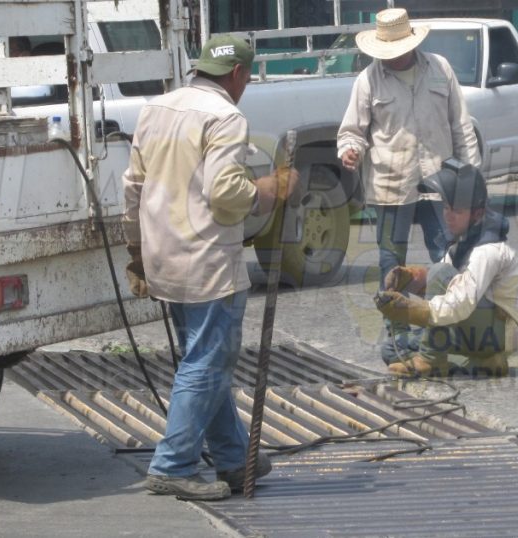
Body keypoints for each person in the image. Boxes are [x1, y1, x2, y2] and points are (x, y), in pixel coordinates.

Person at [122, 35, 298, 501]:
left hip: (164, 255)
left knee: (205, 359)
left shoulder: (155, 109)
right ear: (239, 74)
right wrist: (270, 188)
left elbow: (133, 187)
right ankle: (173, 466)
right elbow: (225, 193)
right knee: (206, 362)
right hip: (206, 262)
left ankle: (234, 459)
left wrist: (136, 250)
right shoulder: (226, 117)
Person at [336, 8, 481, 364]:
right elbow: (351, 132)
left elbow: (461, 125)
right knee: (391, 266)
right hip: (389, 187)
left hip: (438, 185)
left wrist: (472, 179)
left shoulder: (440, 68)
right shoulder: (368, 80)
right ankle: (399, 339)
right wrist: (350, 151)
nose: (394, 56)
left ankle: (439, 333)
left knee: (446, 260)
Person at [374, 160, 518, 377]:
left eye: (456, 210)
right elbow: (444, 285)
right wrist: (411, 280)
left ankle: (431, 360)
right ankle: (481, 362)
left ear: (477, 214)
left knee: (440, 273)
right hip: (471, 327)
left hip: (499, 333)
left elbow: (460, 301)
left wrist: (414, 310)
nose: (447, 215)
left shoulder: (489, 250)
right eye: (446, 207)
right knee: (392, 348)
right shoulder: (461, 242)